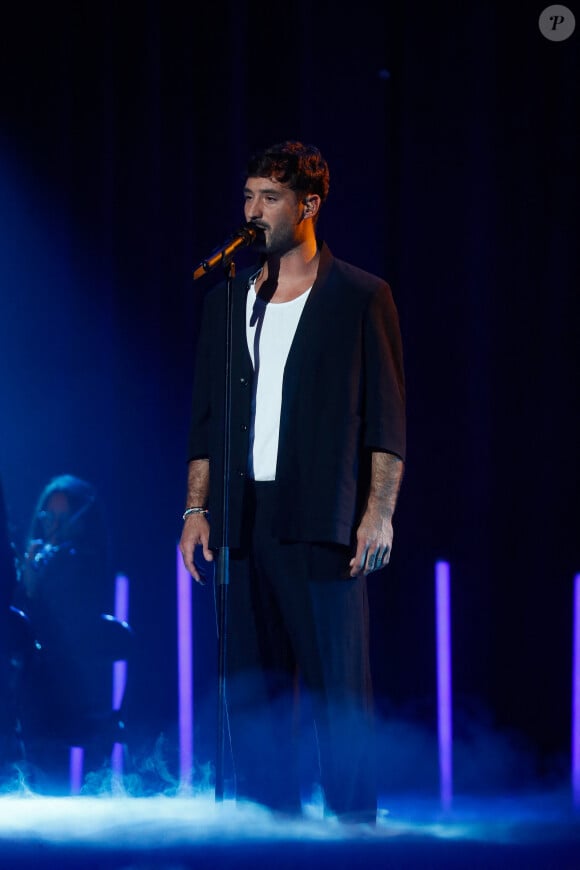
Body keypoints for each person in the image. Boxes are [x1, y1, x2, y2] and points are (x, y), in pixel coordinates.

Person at [179, 140, 406, 823]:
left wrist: (378, 513)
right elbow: (206, 418)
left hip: (321, 517)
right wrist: (195, 509)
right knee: (253, 687)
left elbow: (388, 422)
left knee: (339, 688)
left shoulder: (361, 296)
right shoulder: (230, 302)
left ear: (308, 206)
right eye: (247, 196)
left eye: (269, 199)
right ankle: (262, 824)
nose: (253, 212)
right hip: (243, 519)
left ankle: (354, 826)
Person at [12, 474, 124, 792]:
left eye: (63, 518)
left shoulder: (84, 562)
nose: (53, 527)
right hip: (40, 679)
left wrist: (35, 584)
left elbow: (66, 625)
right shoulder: (38, 559)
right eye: (48, 517)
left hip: (76, 683)